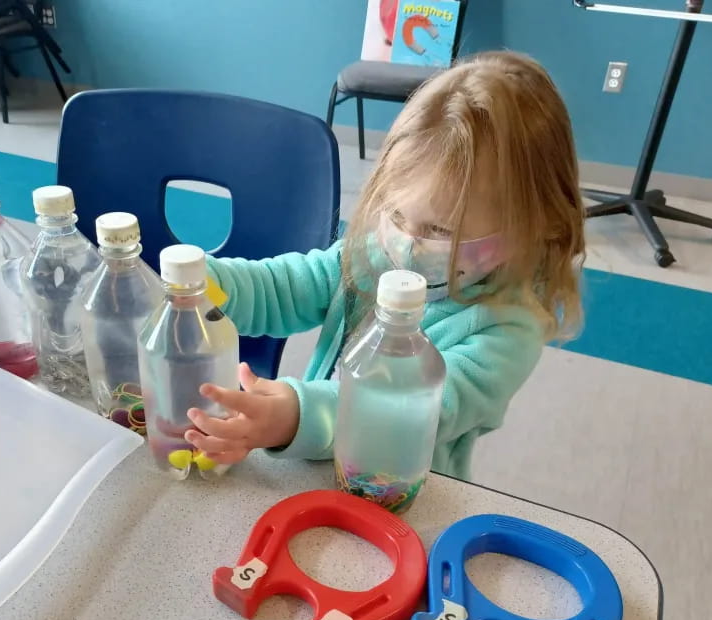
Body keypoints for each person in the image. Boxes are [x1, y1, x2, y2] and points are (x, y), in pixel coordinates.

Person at [184, 51, 585, 480]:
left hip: (398, 497)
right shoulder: (375, 255)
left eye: (441, 230)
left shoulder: (505, 331)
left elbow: (405, 413)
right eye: (395, 215)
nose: (408, 246)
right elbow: (284, 287)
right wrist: (207, 282)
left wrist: (296, 416)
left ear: (531, 226)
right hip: (317, 465)